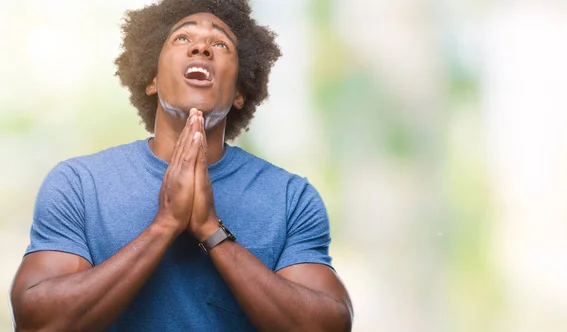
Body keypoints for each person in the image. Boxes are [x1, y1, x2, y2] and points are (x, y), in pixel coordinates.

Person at [9, 0, 353, 331]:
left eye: (220, 43)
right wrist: (164, 225)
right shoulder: (77, 185)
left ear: (239, 93)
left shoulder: (292, 198)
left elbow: (329, 325)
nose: (201, 48)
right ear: (152, 79)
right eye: (183, 38)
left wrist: (210, 230)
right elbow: (38, 323)